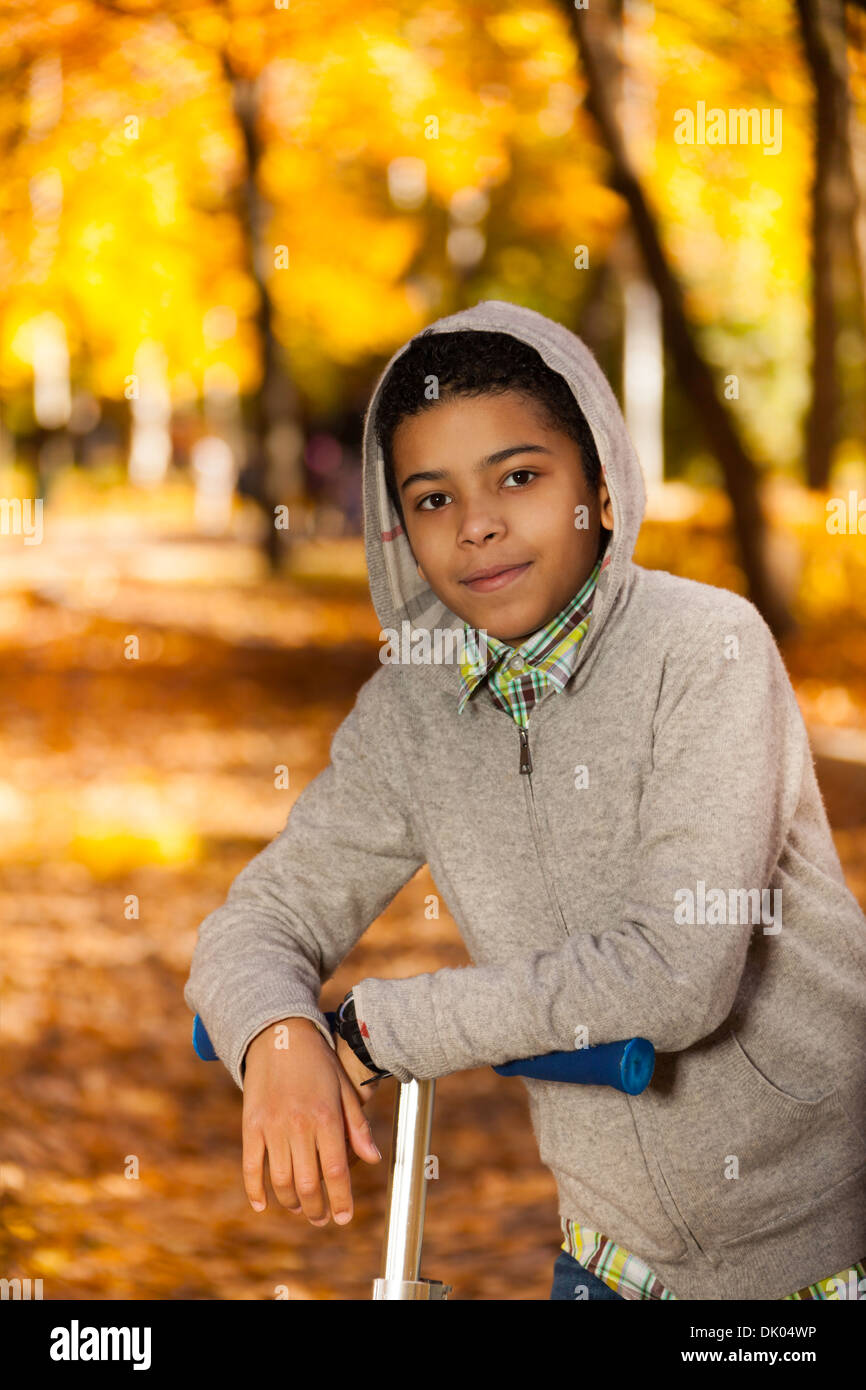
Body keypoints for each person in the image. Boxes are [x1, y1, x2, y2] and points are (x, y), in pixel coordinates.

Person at [184, 299, 866, 1301]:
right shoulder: (412, 710)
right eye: (430, 498)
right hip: (611, 1258)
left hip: (821, 1250)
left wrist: (374, 1031)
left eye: (517, 476)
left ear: (595, 481)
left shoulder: (703, 649)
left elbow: (676, 972)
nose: (477, 525)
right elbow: (258, 919)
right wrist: (273, 1032)